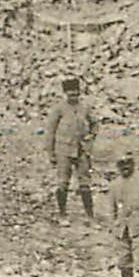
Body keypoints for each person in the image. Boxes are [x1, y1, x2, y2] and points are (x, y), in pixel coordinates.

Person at [45, 76, 97, 222]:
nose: (73, 95)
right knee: (63, 182)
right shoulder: (59, 108)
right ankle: (62, 214)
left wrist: (91, 137)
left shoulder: (85, 107)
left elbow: (95, 123)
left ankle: (90, 216)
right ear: (65, 93)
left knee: (85, 183)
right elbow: (50, 132)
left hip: (81, 150)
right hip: (63, 151)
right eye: (70, 93)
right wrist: (51, 153)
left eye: (76, 92)